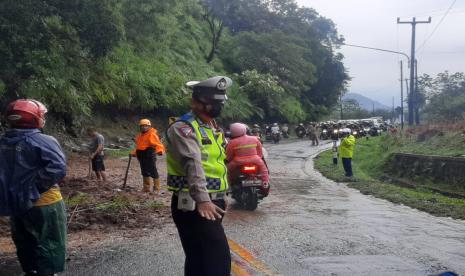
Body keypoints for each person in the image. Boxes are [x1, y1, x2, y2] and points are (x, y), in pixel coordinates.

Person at [166, 76, 232, 276]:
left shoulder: (211, 127)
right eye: (211, 103)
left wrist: (223, 195)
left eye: (219, 103)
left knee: (200, 261)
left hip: (212, 202)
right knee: (217, 261)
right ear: (195, 103)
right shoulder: (183, 128)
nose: (216, 106)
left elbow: (217, 163)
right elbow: (192, 163)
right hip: (195, 205)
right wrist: (203, 199)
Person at [0, 99, 67, 276]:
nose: (43, 118)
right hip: (45, 202)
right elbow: (58, 168)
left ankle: (31, 270)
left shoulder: (3, 142)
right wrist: (33, 189)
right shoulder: (43, 140)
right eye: (42, 115)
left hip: (16, 203)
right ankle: (48, 272)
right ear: (34, 118)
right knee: (51, 240)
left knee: (24, 239)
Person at [226, 123, 269, 187]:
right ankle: (265, 183)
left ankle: (228, 185)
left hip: (237, 161)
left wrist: (228, 160)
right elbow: (259, 151)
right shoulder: (254, 138)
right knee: (264, 170)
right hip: (255, 159)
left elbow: (229, 155)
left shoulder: (232, 142)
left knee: (226, 171)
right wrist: (258, 158)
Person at [132, 119, 165, 193]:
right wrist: (134, 153)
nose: (144, 127)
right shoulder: (140, 136)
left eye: (146, 126)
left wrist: (160, 151)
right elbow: (139, 146)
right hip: (141, 156)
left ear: (149, 127)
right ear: (140, 127)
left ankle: (156, 188)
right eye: (142, 126)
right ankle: (146, 188)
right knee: (144, 171)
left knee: (153, 171)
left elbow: (158, 144)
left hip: (149, 155)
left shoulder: (152, 134)